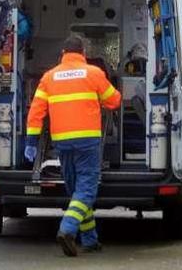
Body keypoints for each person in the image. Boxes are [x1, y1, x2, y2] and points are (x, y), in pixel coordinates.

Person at [25, 36, 122, 257]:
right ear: (83, 53)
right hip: (87, 142)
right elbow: (114, 101)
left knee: (76, 190)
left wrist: (31, 142)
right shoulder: (93, 73)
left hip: (62, 143)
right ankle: (67, 229)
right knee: (86, 189)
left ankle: (90, 240)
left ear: (63, 53)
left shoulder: (49, 77)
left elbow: (36, 112)